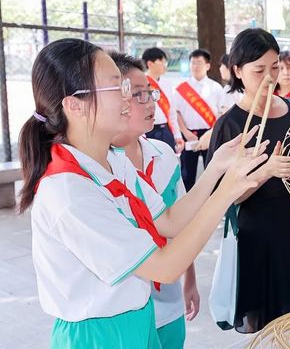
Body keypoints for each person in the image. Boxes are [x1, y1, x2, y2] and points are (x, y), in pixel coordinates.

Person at [19, 38, 267, 348]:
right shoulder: (69, 192)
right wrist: (226, 192)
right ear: (75, 105)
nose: (130, 100)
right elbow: (165, 266)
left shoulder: (111, 160)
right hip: (97, 336)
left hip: (138, 317)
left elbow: (169, 221)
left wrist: (217, 167)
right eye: (117, 88)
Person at [206, 28, 290, 334]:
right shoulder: (230, 126)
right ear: (237, 71)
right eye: (259, 70)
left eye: (275, 68)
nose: (270, 77)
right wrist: (267, 170)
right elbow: (224, 199)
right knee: (267, 325)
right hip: (259, 237)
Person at [109, 52, 201, 349]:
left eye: (150, 93)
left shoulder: (163, 155)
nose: (151, 103)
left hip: (170, 300)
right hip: (126, 311)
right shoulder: (100, 167)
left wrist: (190, 279)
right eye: (139, 95)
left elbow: (180, 224)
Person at [174, 48, 225, 191]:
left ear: (207, 66)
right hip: (189, 134)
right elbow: (176, 112)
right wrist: (185, 132)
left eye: (199, 63)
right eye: (193, 63)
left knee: (212, 171)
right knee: (187, 174)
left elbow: (222, 112)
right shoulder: (181, 89)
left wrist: (212, 133)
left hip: (210, 134)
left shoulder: (216, 88)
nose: (195, 66)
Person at [141, 47, 184, 153]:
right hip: (148, 132)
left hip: (166, 131)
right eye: (161, 61)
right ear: (150, 63)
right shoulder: (141, 82)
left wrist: (177, 134)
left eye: (165, 61)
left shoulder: (167, 83)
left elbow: (171, 112)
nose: (165, 65)